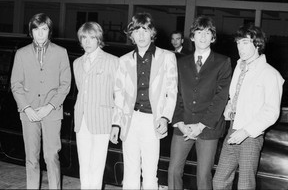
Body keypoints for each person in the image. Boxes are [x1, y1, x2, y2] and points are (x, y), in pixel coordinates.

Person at [110, 12, 178, 189]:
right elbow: (119, 95)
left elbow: (172, 91)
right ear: (131, 35)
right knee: (130, 170)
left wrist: (165, 117)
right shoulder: (123, 61)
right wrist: (116, 124)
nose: (141, 35)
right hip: (130, 119)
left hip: (152, 120)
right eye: (136, 30)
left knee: (150, 171)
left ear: (152, 33)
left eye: (145, 30)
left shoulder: (167, 57)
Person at [213, 24, 284, 190]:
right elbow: (235, 95)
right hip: (232, 129)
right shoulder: (239, 67)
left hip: (250, 136)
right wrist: (229, 105)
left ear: (257, 44)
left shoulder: (270, 74)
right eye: (238, 43)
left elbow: (271, 111)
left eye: (245, 42)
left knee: (245, 185)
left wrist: (246, 131)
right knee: (219, 182)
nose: (240, 47)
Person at [168, 15, 232, 190]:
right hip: (183, 125)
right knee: (173, 170)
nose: (203, 36)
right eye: (199, 32)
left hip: (208, 128)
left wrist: (201, 125)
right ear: (192, 36)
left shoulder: (222, 62)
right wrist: (180, 123)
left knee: (203, 175)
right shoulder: (180, 62)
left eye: (207, 32)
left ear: (213, 37)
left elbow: (221, 98)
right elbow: (176, 94)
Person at [10, 13, 71, 189]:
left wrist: (50, 106)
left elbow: (65, 84)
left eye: (44, 29)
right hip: (28, 112)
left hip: (52, 112)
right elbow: (16, 84)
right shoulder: (21, 54)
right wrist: (27, 108)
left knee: (51, 156)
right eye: (36, 29)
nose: (40, 34)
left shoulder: (61, 52)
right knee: (31, 157)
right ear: (31, 32)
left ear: (49, 31)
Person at [73, 22, 119, 189]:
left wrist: (116, 123)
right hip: (81, 120)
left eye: (92, 37)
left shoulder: (113, 61)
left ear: (99, 39)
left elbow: (118, 95)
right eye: (84, 37)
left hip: (102, 120)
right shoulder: (77, 63)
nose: (87, 42)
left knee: (97, 166)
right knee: (84, 165)